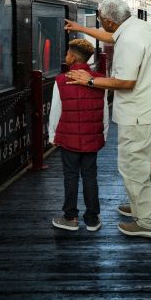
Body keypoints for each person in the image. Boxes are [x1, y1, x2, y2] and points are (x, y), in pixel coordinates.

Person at [64, 0, 151, 239]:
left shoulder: (130, 41)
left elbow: (125, 82)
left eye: (102, 21)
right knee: (144, 164)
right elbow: (111, 36)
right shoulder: (136, 27)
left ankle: (149, 222)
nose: (101, 26)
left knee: (133, 166)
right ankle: (138, 206)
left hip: (139, 112)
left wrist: (89, 80)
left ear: (111, 21)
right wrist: (80, 28)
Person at [48, 39, 109, 232]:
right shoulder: (99, 80)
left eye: (67, 53)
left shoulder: (60, 80)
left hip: (69, 139)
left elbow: (55, 112)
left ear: (72, 57)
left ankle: (70, 217)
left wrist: (52, 135)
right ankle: (92, 219)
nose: (66, 55)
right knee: (90, 176)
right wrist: (103, 134)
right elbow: (104, 112)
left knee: (70, 176)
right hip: (92, 138)